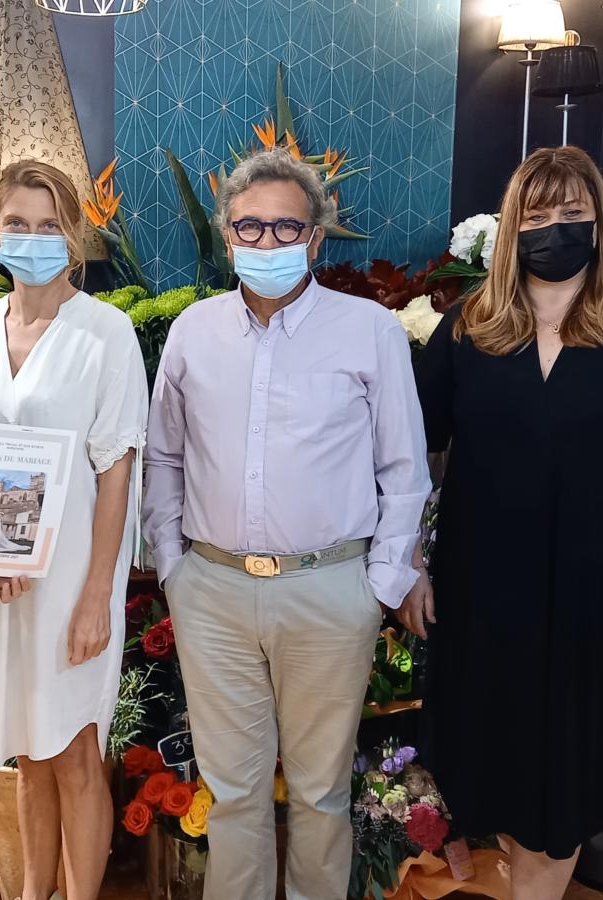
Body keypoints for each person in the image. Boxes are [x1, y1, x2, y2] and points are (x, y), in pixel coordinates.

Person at [413, 146, 603, 900]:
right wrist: (410, 564)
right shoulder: (468, 326)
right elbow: (411, 453)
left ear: (601, 223)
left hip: (591, 605)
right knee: (490, 774)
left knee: (566, 789)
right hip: (481, 603)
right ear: (511, 228)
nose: (555, 228)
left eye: (573, 213)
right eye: (538, 214)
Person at [143, 148, 432, 900]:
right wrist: (174, 564)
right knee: (233, 795)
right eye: (250, 226)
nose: (266, 241)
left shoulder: (369, 330)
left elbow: (404, 468)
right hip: (213, 591)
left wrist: (380, 584)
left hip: (329, 590)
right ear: (227, 234)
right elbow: (163, 456)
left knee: (321, 792)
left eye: (285, 228)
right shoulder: (193, 331)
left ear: (315, 237)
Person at [0, 160, 147, 900]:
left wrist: (98, 595)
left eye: (48, 225)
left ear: (73, 236)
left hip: (72, 578)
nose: (32, 237)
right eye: (17, 223)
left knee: (74, 753)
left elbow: (116, 470)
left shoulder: (105, 332)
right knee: (27, 755)